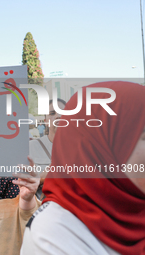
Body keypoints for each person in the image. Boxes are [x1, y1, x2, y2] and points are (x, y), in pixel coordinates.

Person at [21, 81, 145, 254]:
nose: (58, 117)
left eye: (63, 113)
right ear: (103, 147)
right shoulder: (52, 236)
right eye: (143, 136)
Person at [29, 98, 66, 200]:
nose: (58, 116)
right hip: (41, 209)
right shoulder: (31, 147)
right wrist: (41, 178)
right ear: (45, 121)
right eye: (52, 113)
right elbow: (21, 185)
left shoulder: (79, 149)